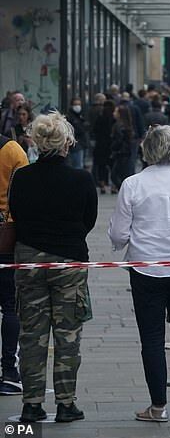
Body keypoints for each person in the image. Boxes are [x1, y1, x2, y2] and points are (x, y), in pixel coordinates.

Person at [108, 125, 170, 422]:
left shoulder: (133, 184)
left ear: (146, 150)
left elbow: (118, 232)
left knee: (152, 338)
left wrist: (122, 243)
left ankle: (158, 406)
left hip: (146, 268)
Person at [8, 112, 96, 423]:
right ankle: (66, 403)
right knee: (67, 334)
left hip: (29, 260)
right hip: (69, 262)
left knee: (32, 335)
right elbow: (89, 220)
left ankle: (31, 404)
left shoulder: (22, 177)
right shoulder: (81, 179)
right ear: (66, 143)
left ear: (36, 142)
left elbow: (15, 214)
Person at [0, 125, 27, 398]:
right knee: (10, 305)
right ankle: (9, 371)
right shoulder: (12, 150)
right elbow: (24, 193)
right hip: (5, 237)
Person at [110, 104, 135, 191]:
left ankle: (123, 189)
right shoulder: (127, 125)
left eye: (116, 112)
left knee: (115, 174)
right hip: (125, 152)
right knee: (123, 173)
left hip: (121, 152)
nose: (114, 113)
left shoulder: (118, 126)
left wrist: (114, 147)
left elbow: (118, 140)